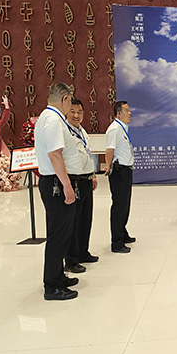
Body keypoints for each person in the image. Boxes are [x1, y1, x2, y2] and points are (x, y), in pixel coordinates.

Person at [34, 82, 79, 300]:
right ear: (65, 99)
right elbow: (54, 154)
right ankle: (52, 286)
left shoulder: (48, 117)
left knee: (61, 232)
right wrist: (67, 185)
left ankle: (58, 276)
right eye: (70, 101)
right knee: (58, 235)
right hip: (56, 183)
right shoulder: (53, 120)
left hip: (54, 181)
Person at [64, 99, 99, 273]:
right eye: (73, 111)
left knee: (85, 219)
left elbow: (88, 154)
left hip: (86, 179)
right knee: (74, 221)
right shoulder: (65, 131)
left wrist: (92, 175)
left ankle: (83, 252)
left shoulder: (82, 131)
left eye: (79, 112)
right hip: (73, 180)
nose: (76, 115)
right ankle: (71, 260)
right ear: (66, 112)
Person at [104, 101, 135, 253]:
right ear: (118, 113)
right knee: (119, 206)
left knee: (125, 204)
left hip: (126, 170)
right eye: (127, 110)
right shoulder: (114, 129)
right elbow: (109, 150)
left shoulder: (123, 128)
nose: (130, 113)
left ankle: (123, 233)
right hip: (119, 171)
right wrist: (108, 166)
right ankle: (116, 242)